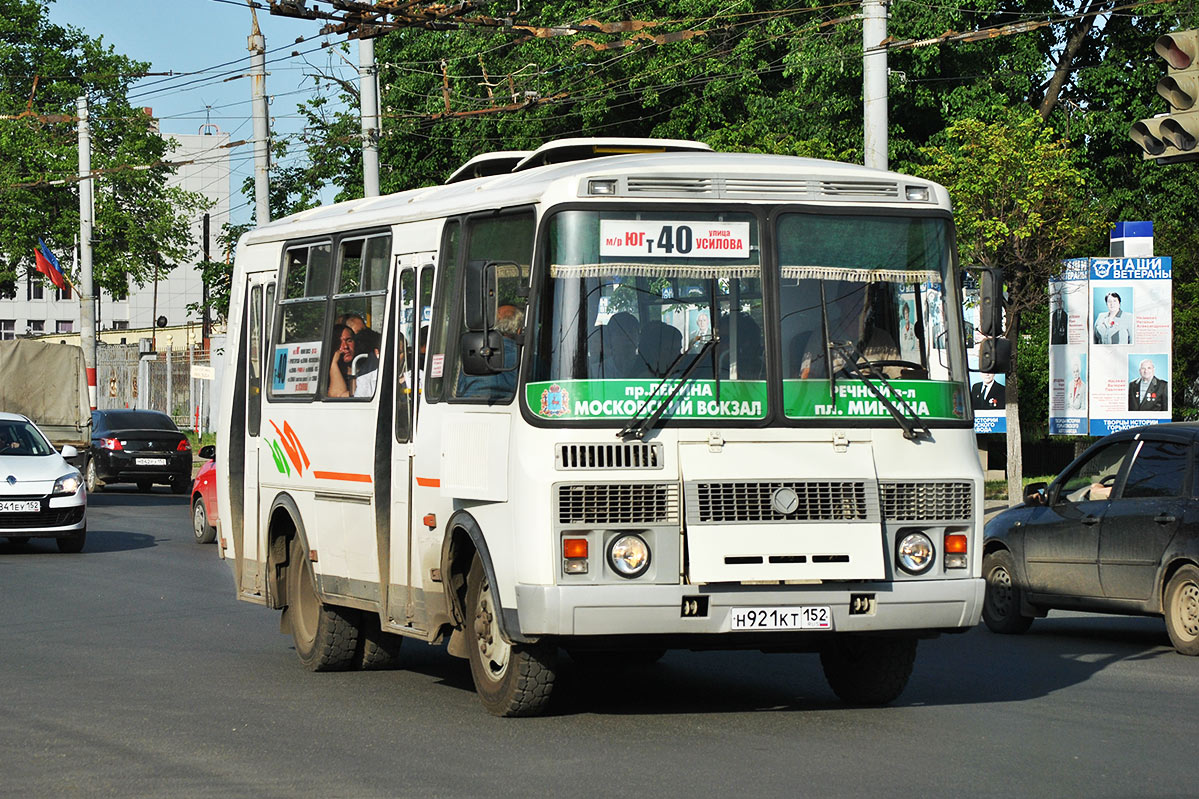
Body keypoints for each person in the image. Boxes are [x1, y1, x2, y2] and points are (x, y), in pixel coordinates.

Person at [457, 304, 523, 398]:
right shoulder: (526, 358)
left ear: (491, 327)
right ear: (519, 331)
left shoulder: (471, 353)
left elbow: (459, 390)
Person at [326, 323, 356, 397]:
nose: (345, 346)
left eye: (349, 341)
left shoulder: (365, 369)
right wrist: (334, 363)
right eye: (339, 342)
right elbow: (337, 395)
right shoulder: (325, 374)